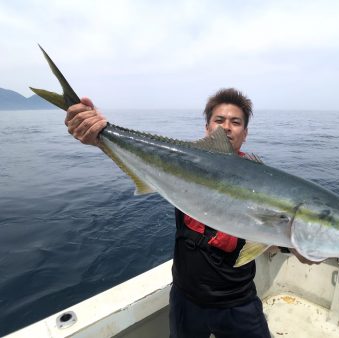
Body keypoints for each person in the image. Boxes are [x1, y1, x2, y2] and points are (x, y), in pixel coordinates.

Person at [65, 88, 316, 338]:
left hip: (237, 302)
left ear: (245, 133)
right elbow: (146, 158)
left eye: (235, 122)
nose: (226, 127)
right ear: (207, 129)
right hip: (186, 298)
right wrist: (99, 134)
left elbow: (276, 235)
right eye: (219, 120)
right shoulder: (186, 163)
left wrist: (301, 245)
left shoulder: (267, 185)